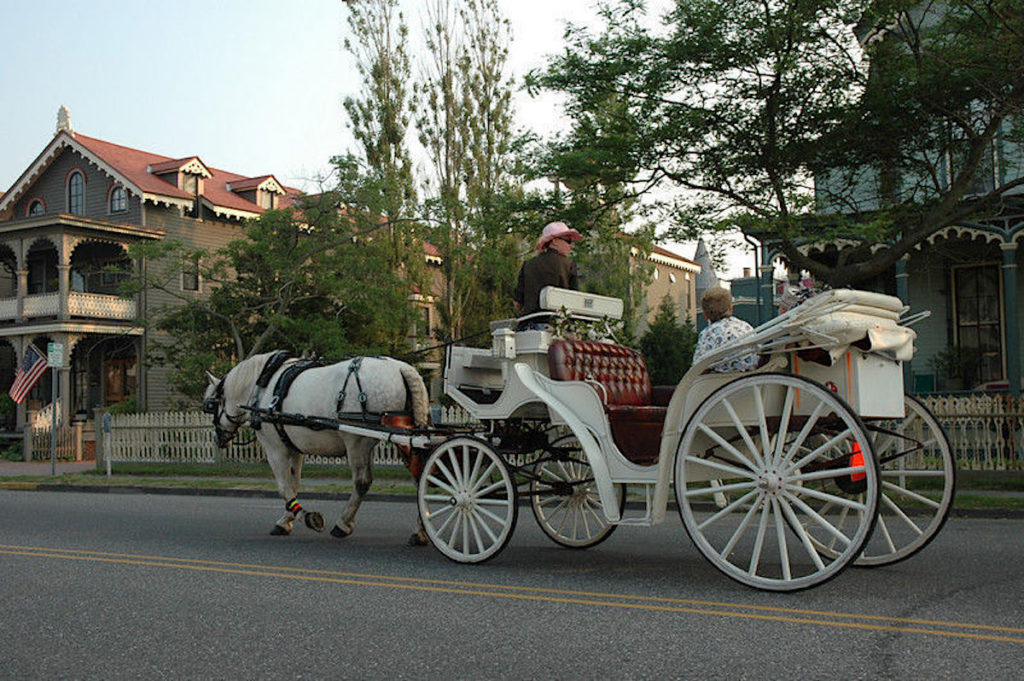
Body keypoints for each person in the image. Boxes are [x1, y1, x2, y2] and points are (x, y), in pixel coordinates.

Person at [512, 221, 582, 327]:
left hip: (528, 326)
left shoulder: (527, 265)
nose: (571, 246)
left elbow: (517, 303)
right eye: (568, 241)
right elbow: (576, 302)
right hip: (559, 327)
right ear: (554, 241)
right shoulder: (569, 264)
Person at [693, 286, 757, 372]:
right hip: (751, 379)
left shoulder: (707, 334)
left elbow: (698, 369)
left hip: (720, 382)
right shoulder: (746, 327)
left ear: (705, 315)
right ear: (731, 309)